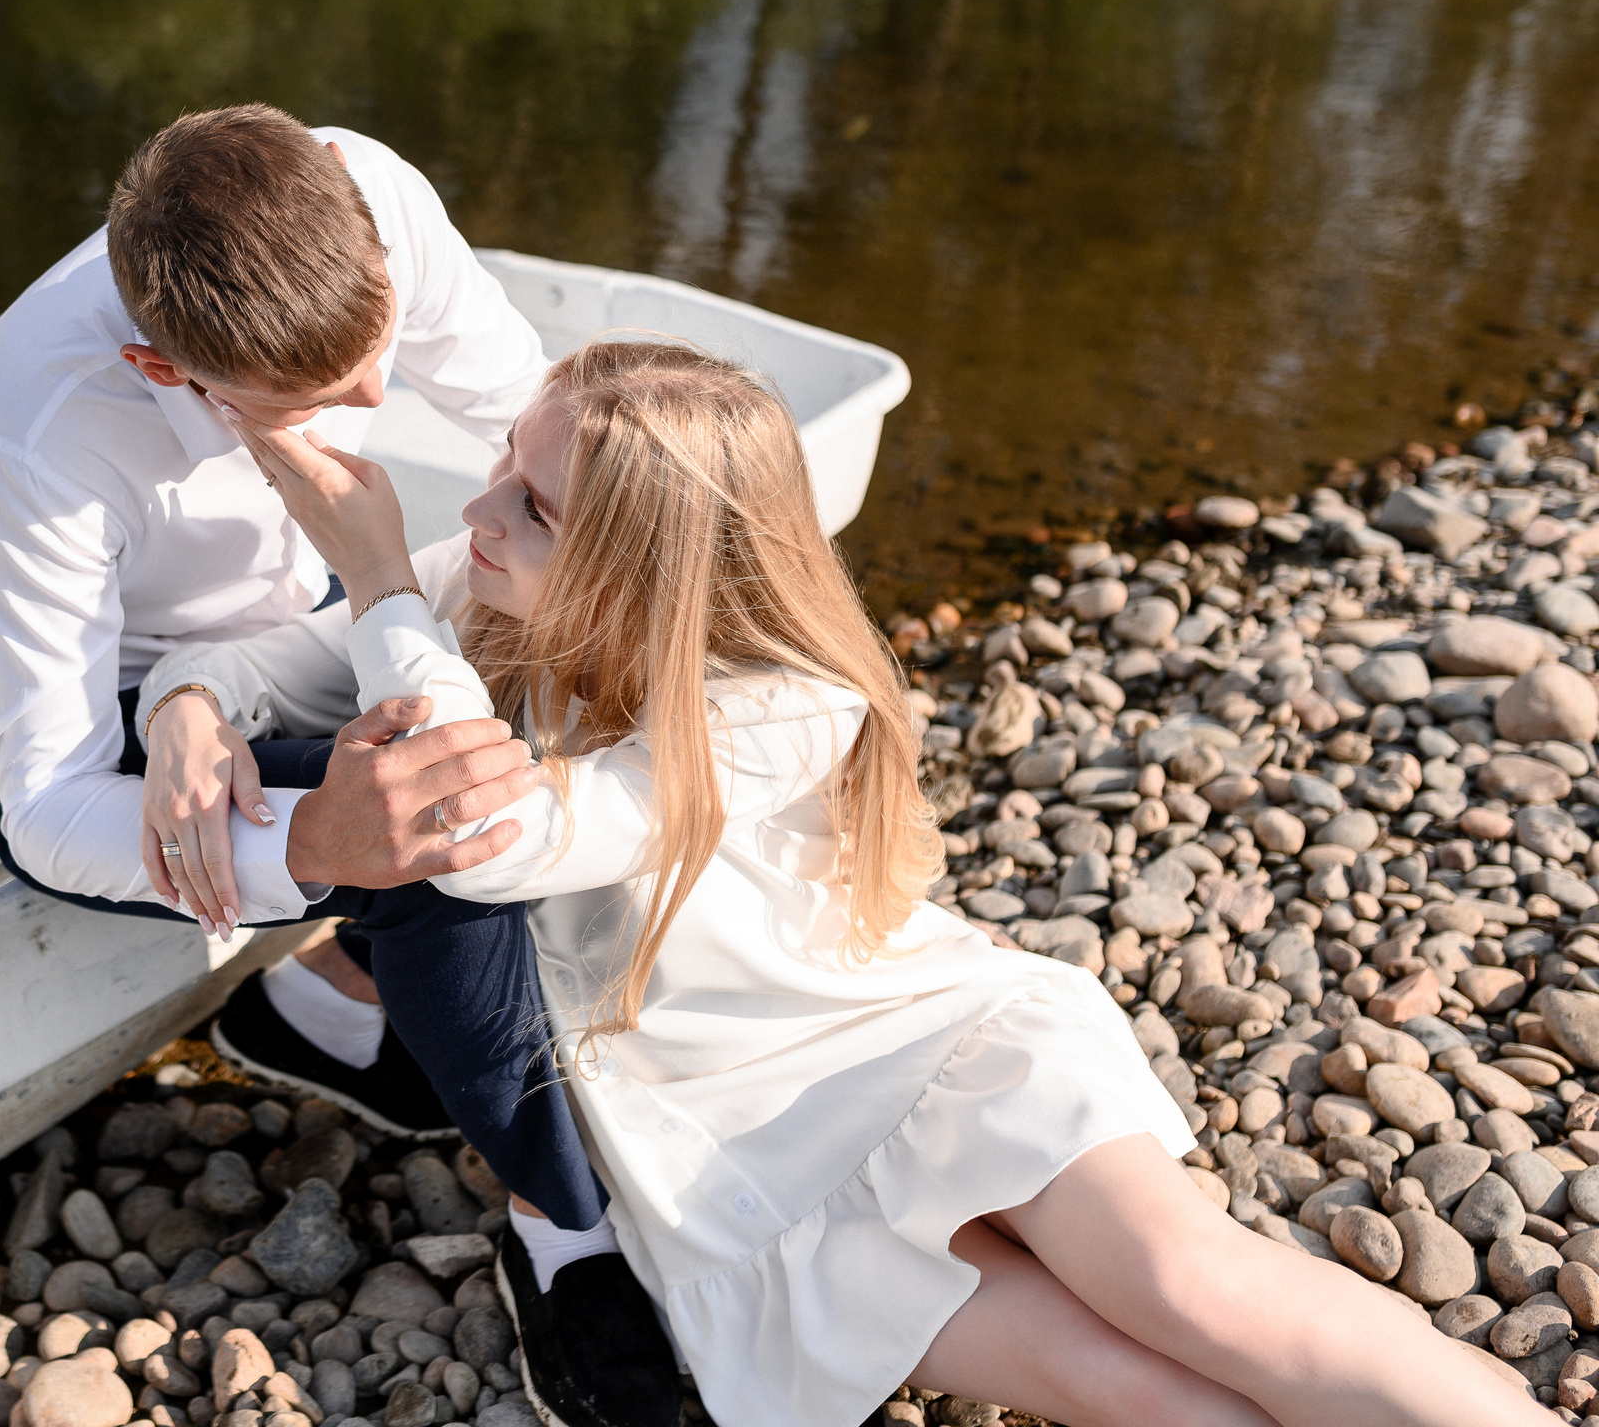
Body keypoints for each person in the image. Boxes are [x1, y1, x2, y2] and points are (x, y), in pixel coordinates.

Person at [138, 338, 1547, 1427]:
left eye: (533, 503)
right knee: (1131, 1391)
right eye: (502, 463)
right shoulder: (488, 588)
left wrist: (380, 585)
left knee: (1195, 1287)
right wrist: (191, 708)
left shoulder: (778, 699)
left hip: (915, 1044)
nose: (482, 512)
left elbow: (487, 837)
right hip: (728, 1150)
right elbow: (258, 665)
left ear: (649, 572)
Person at [0, 105, 680, 1426]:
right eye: (316, 400)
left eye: (377, 349)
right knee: (432, 819)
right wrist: (305, 839)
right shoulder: (38, 423)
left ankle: (331, 1016)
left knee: (536, 648)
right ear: (165, 371)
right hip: (128, 706)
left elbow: (546, 416)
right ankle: (563, 1235)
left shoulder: (372, 194)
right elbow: (45, 805)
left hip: (323, 614)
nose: (376, 404)